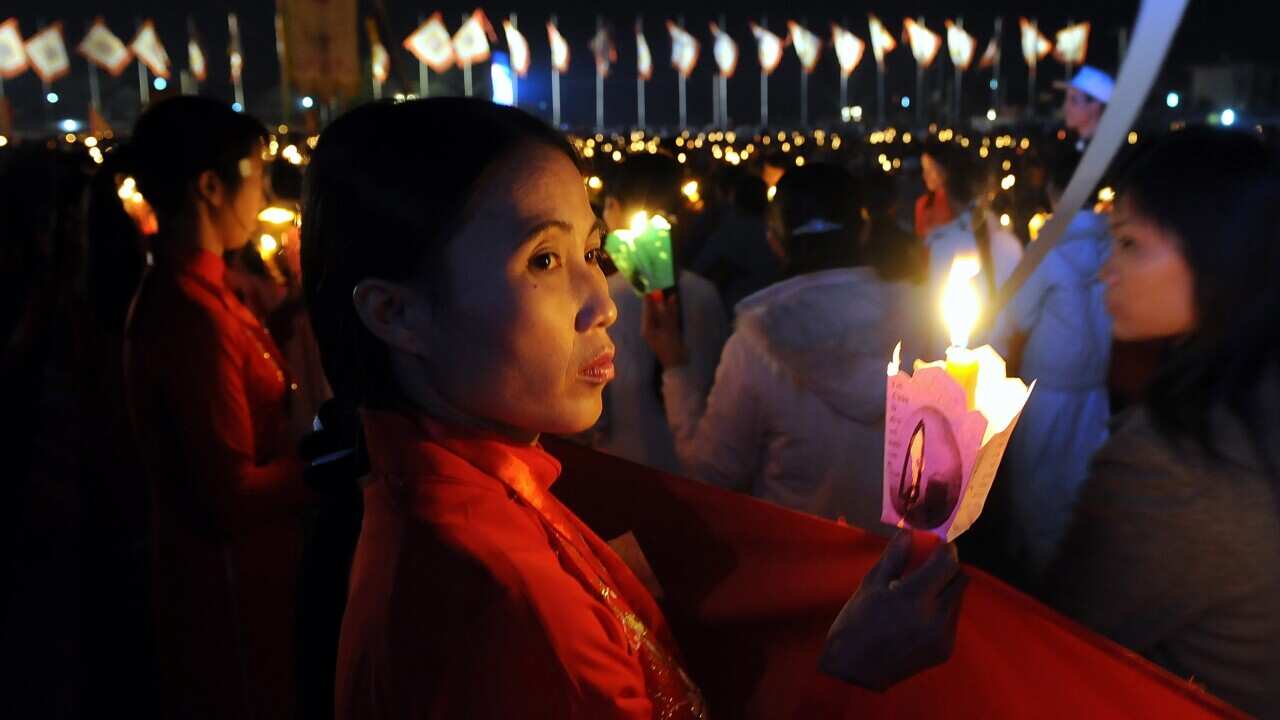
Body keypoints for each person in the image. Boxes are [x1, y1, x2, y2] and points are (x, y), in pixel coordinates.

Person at [301, 98, 964, 718]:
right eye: (544, 259)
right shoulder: (493, 598)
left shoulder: (496, 498)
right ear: (396, 311)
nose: (605, 304)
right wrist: (843, 677)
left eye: (593, 252)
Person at [1045, 128, 1280, 718]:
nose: (1106, 272)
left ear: (1220, 254)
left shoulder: (1173, 462)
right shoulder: (1255, 398)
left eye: (1129, 243)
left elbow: (1054, 642)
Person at [122, 97, 308, 719]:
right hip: (226, 594)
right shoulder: (188, 313)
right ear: (209, 187)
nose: (261, 194)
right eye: (254, 174)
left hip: (255, 575)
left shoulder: (209, 290)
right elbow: (228, 494)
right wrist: (332, 465)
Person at [642, 163, 928, 531]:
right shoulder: (924, 321)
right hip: (904, 570)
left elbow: (712, 470)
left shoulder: (756, 341)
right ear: (865, 230)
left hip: (799, 569)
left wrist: (675, 367)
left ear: (774, 241)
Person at [993, 146, 1112, 578]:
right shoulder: (1112, 244)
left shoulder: (1047, 250)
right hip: (1095, 387)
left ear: (1055, 191)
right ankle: (1080, 570)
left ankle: (1039, 581)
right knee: (1082, 480)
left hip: (1047, 387)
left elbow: (1017, 314)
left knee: (1037, 485)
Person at [593, 154, 728, 475]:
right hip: (694, 476)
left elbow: (593, 419)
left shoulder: (602, 299)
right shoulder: (705, 293)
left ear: (613, 206)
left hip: (621, 469)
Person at [922, 141, 1023, 345]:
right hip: (999, 358)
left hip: (952, 365)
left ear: (949, 194)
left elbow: (933, 321)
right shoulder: (1012, 244)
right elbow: (1021, 316)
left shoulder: (942, 244)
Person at [689, 171, 783, 314]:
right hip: (771, 308)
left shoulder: (728, 231)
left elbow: (700, 273)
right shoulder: (775, 232)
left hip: (737, 310)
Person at [1062, 66, 1114, 152]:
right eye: (1066, 99)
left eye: (1074, 100)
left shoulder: (1104, 150)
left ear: (1095, 106)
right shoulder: (1071, 145)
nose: (1066, 107)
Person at [915, 141, 956, 240]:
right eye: (924, 170)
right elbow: (921, 242)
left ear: (945, 168)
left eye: (930, 169)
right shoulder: (923, 204)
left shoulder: (963, 202)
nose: (925, 175)